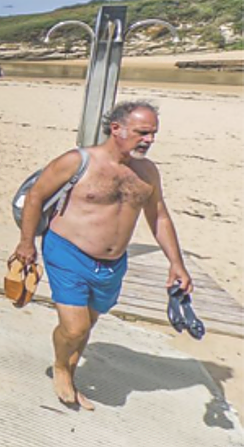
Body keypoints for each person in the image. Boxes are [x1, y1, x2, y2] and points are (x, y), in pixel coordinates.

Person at [11, 100, 193, 410]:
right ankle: (61, 368)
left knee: (88, 324)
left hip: (112, 265)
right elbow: (35, 197)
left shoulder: (147, 173)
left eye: (153, 134)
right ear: (116, 129)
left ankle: (71, 369)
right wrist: (26, 244)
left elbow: (158, 216)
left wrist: (176, 263)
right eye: (142, 132)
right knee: (75, 327)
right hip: (67, 251)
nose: (149, 140)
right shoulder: (77, 162)